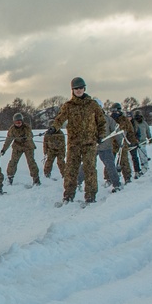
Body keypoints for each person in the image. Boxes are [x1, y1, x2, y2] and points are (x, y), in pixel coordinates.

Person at [50, 76, 105, 207]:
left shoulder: (93, 105)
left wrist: (101, 135)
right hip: (74, 144)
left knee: (90, 170)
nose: (78, 90)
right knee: (70, 171)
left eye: (80, 88)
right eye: (76, 88)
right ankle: (68, 196)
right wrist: (53, 128)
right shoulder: (68, 106)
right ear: (72, 90)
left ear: (84, 88)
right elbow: (60, 119)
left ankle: (90, 197)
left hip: (90, 144)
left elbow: (101, 121)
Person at [82, 99, 122, 194]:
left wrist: (120, 142)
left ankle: (116, 184)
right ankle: (77, 183)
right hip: (92, 147)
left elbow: (116, 131)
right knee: (86, 165)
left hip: (105, 147)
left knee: (110, 166)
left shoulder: (108, 119)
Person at [0, 113, 41, 187]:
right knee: (13, 162)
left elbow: (30, 135)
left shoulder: (27, 127)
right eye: (16, 122)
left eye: (19, 122)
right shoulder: (12, 129)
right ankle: (10, 177)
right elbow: (8, 140)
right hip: (17, 146)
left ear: (22, 121)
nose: (18, 124)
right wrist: (4, 149)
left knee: (31, 162)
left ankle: (36, 179)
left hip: (28, 146)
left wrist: (26, 137)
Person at [109, 103, 142, 182]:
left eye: (115, 111)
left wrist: (134, 141)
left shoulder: (124, 120)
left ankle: (127, 177)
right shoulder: (109, 120)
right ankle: (109, 178)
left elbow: (130, 132)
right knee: (110, 161)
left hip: (122, 142)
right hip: (111, 143)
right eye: (112, 111)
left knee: (124, 160)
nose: (114, 113)